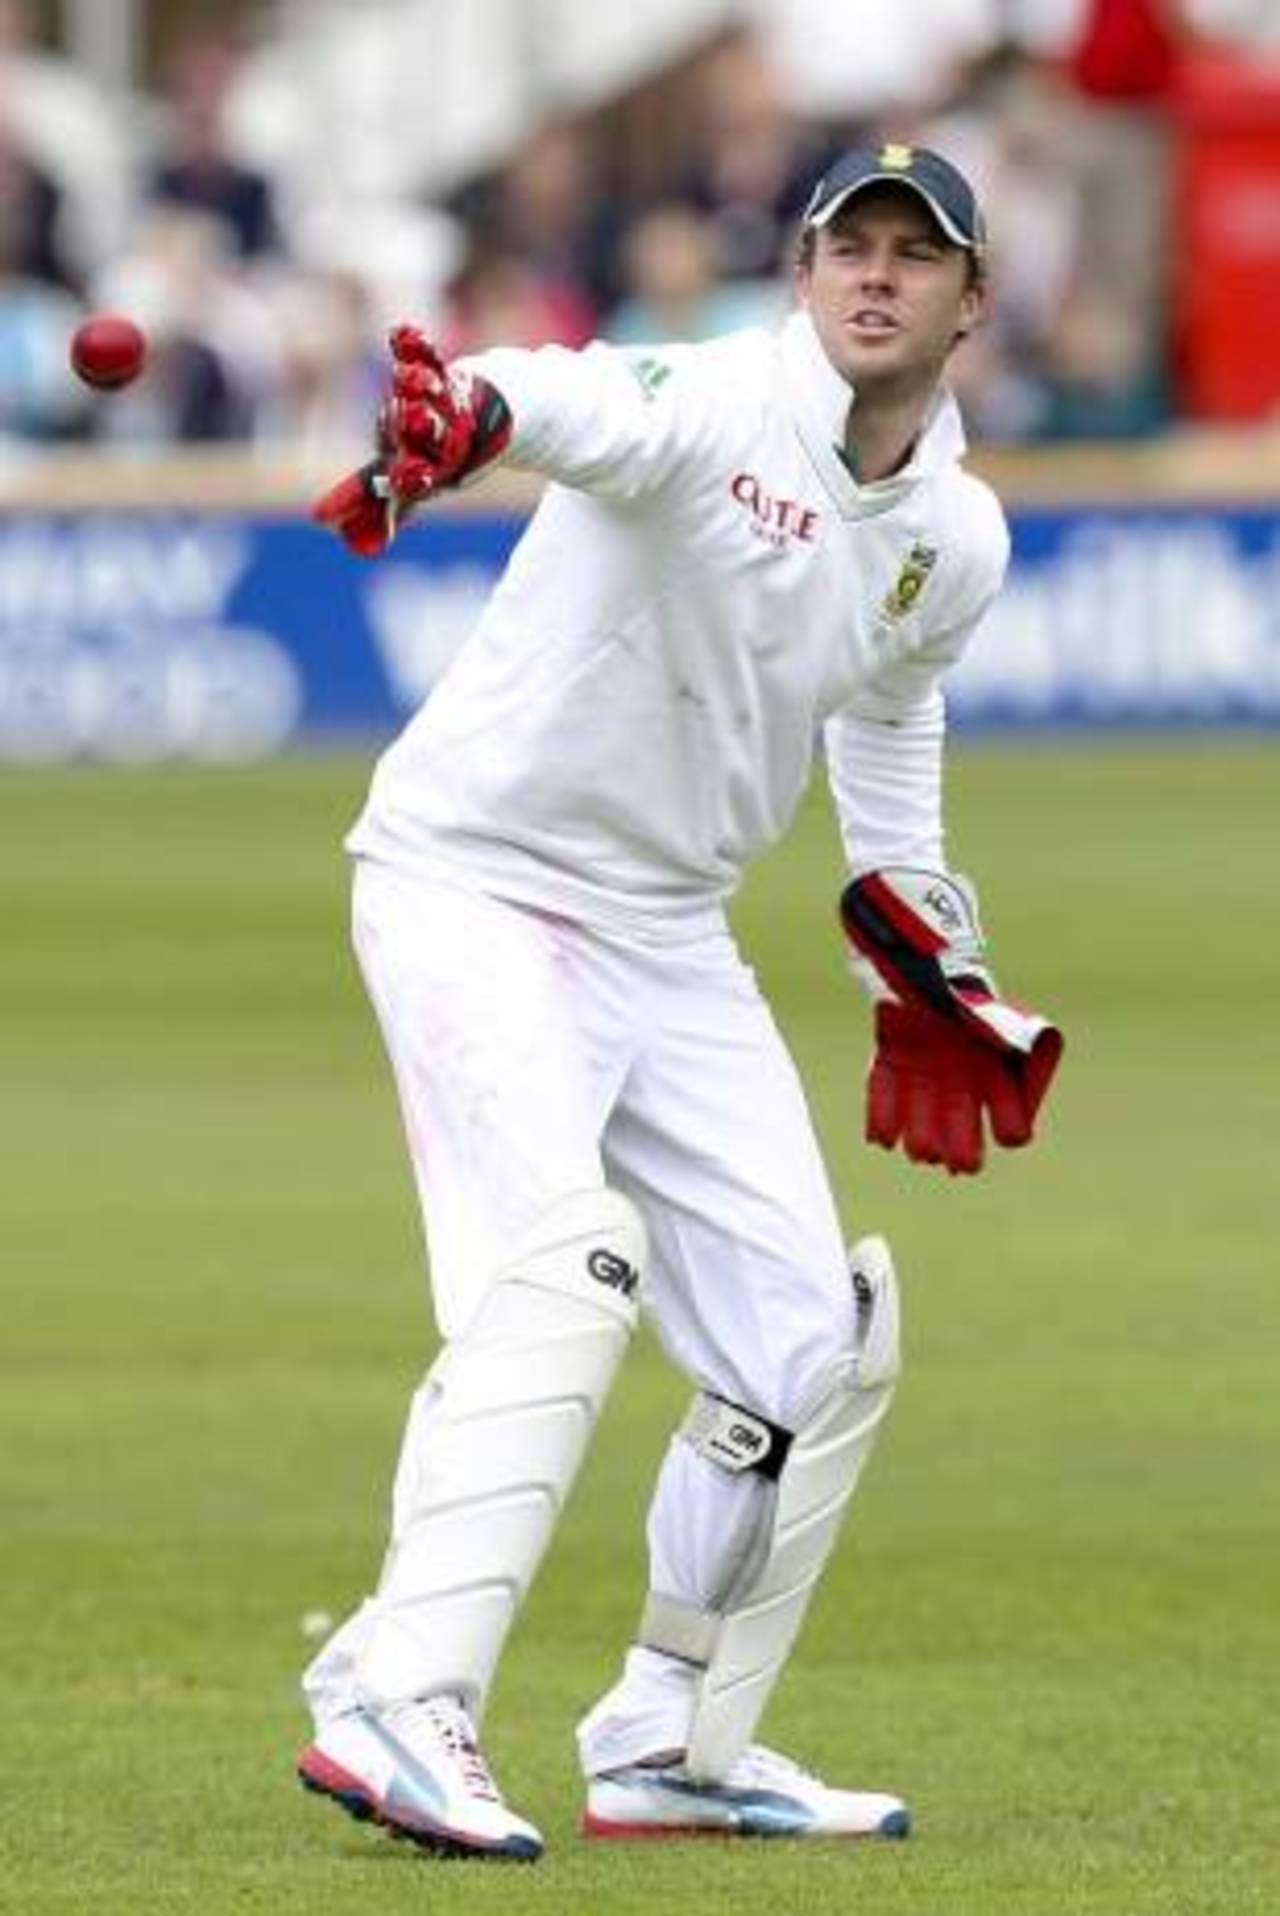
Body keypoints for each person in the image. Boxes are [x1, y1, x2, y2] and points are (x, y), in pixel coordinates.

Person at [298, 142, 1063, 1863]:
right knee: (564, 1261)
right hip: (475, 878)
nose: (877, 275)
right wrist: (471, 418)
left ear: (971, 300)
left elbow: (888, 704)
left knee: (812, 1345)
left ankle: (669, 1738)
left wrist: (922, 939)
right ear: (802, 276)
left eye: (914, 255)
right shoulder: (713, 401)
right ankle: (396, 1697)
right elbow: (574, 403)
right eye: (846, 246)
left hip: (668, 929)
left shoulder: (958, 530)